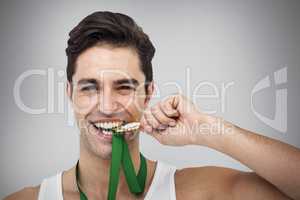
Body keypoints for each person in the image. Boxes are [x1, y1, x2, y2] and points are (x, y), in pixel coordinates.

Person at [5, 11, 300, 200]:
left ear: (148, 94)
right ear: (70, 94)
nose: (107, 106)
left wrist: (207, 130)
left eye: (124, 87)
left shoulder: (196, 192)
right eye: (90, 87)